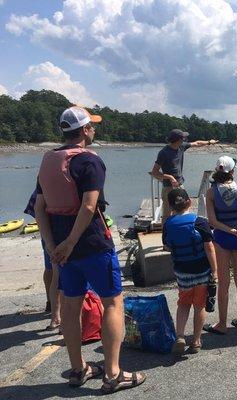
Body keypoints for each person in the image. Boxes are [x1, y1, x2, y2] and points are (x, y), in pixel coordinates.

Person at [34, 106, 145, 393]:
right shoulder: (88, 162)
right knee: (112, 302)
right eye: (92, 127)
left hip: (61, 248)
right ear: (83, 130)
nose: (94, 130)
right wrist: (71, 241)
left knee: (70, 306)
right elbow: (88, 205)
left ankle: (78, 368)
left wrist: (53, 244)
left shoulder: (49, 160)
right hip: (92, 244)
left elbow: (39, 207)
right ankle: (113, 374)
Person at [163, 188, 217, 355]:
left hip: (182, 272)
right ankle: (196, 340)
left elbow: (166, 245)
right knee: (199, 305)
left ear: (171, 207)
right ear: (190, 202)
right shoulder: (200, 222)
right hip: (201, 270)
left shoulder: (168, 224)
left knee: (184, 303)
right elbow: (209, 248)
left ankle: (180, 336)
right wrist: (214, 271)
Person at [203, 156, 237, 334]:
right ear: (232, 171)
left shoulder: (211, 192)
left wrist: (228, 230)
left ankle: (222, 324)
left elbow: (212, 221)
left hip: (222, 240)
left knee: (224, 284)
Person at [151, 129, 218, 225]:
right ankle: (166, 235)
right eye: (183, 138)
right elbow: (154, 172)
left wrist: (209, 142)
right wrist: (170, 177)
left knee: (183, 209)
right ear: (178, 140)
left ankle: (179, 230)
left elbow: (197, 143)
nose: (185, 139)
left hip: (180, 185)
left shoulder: (181, 146)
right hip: (168, 188)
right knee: (167, 213)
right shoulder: (164, 153)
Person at [24, 189, 61, 331]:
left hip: (48, 228)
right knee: (58, 272)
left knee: (52, 269)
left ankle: (52, 306)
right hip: (56, 228)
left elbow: (36, 209)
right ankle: (56, 312)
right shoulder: (67, 174)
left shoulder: (45, 174)